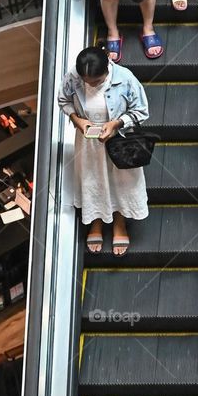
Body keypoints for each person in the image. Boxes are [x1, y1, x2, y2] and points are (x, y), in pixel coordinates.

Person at [58, 46, 149, 253]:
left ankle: (119, 223)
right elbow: (63, 100)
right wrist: (77, 120)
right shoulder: (74, 76)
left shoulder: (125, 78)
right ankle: (96, 221)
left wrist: (116, 124)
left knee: (122, 183)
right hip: (89, 143)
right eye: (86, 81)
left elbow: (141, 111)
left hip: (119, 141)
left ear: (107, 67)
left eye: (96, 81)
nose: (90, 84)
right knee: (93, 180)